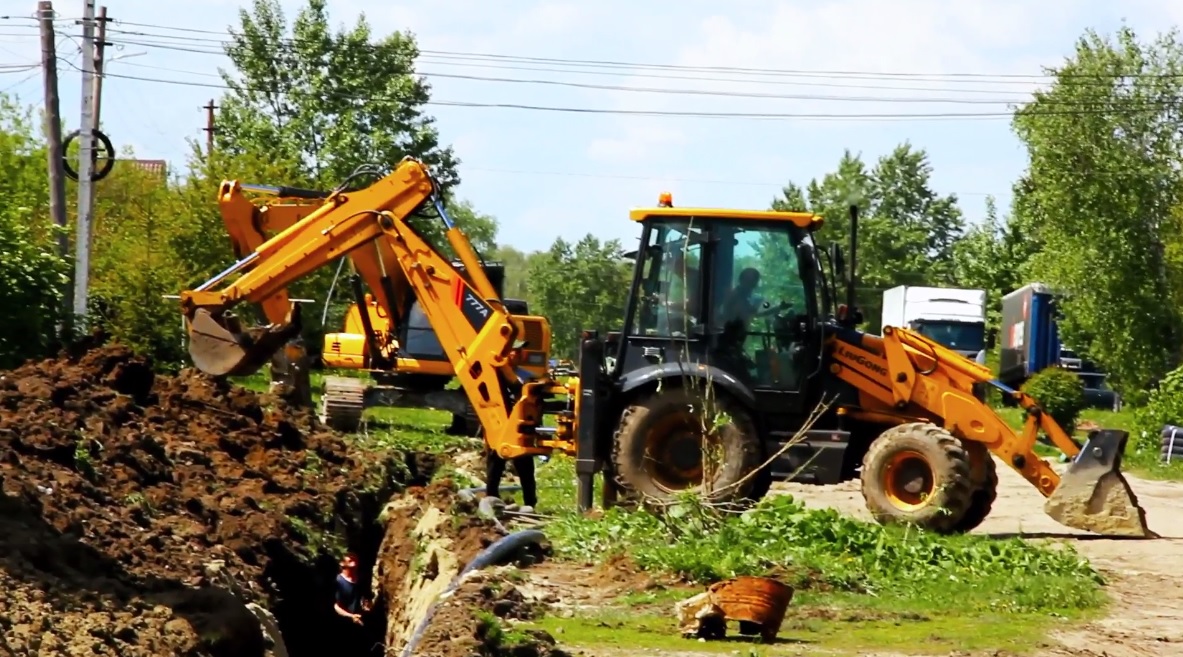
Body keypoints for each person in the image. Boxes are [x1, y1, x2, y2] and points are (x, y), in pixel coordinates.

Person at [485, 447, 538, 512]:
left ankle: (530, 504)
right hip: (499, 442)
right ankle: (492, 502)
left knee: (526, 469)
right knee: (494, 471)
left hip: (517, 443)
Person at [334, 552, 370, 626]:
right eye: (348, 555)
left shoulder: (362, 581)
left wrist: (366, 606)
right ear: (342, 563)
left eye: (354, 555)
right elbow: (336, 606)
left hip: (359, 623)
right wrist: (351, 616)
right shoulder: (338, 581)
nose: (352, 556)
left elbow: (366, 600)